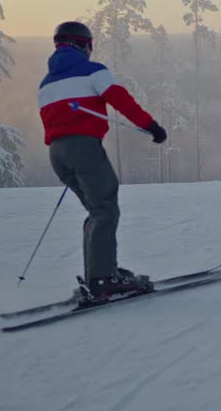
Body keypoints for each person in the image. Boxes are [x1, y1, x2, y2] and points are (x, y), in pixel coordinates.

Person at [38, 21, 168, 300]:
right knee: (105, 210)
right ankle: (102, 279)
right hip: (84, 149)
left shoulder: (47, 83)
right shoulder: (93, 71)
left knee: (98, 211)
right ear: (84, 44)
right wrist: (152, 126)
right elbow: (120, 99)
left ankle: (101, 271)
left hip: (58, 154)